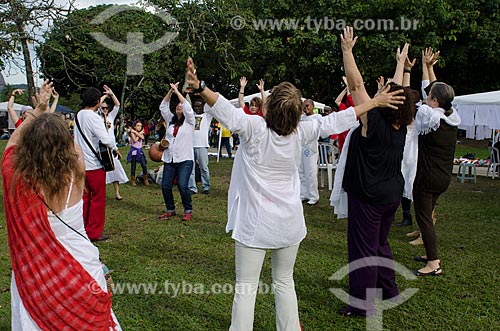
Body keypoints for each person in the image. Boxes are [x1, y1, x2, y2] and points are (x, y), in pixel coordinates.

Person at [185, 56, 404, 330]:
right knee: (284, 282)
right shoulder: (303, 130)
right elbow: (338, 120)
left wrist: (199, 85)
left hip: (254, 224)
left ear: (270, 106)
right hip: (289, 225)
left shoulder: (254, 128)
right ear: (297, 112)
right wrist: (374, 102)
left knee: (246, 287)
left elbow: (222, 108)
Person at [2, 80, 121, 330]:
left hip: (34, 276)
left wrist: (38, 111)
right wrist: (53, 119)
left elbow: (11, 147)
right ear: (67, 144)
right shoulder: (77, 169)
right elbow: (72, 145)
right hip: (82, 265)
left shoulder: (15, 179)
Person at [332, 27, 416, 317]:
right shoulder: (401, 126)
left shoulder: (374, 122)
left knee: (363, 249)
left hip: (368, 197)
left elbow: (356, 86)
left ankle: (363, 305)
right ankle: (388, 288)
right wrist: (400, 66)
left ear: (386, 102)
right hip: (391, 194)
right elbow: (397, 93)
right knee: (380, 243)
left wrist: (347, 51)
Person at [411, 47, 461, 276]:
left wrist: (425, 68)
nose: (426, 98)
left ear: (434, 101)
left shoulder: (428, 116)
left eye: (430, 98)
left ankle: (433, 262)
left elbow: (426, 92)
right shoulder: (451, 116)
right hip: (443, 178)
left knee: (424, 220)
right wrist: (429, 67)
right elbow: (436, 91)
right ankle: (430, 253)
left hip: (427, 178)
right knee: (427, 216)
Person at [74, 87, 118, 242]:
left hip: (80, 163)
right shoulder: (94, 117)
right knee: (98, 199)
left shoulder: (78, 115)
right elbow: (106, 139)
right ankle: (93, 232)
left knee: (84, 198)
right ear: (96, 101)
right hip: (94, 164)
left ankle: (82, 228)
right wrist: (115, 147)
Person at [159, 82, 195, 222]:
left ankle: (188, 210)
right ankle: (170, 209)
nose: (179, 106)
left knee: (182, 185)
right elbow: (163, 106)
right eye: (177, 106)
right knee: (166, 185)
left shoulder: (190, 121)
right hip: (170, 159)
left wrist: (178, 92)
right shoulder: (170, 121)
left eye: (181, 106)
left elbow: (187, 107)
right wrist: (170, 91)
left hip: (185, 159)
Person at [101, 85, 128, 199]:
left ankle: (117, 193)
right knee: (101, 173)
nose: (105, 110)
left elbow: (117, 105)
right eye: (103, 108)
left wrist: (111, 94)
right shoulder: (95, 118)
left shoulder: (111, 117)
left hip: (112, 149)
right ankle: (101, 193)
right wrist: (103, 97)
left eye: (106, 108)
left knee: (115, 171)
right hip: (101, 149)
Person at [299, 98, 322, 205]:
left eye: (307, 105)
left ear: (313, 106)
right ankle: (304, 194)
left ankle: (314, 196)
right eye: (304, 106)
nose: (306, 108)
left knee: (311, 172)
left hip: (311, 147)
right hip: (301, 147)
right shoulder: (301, 118)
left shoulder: (317, 117)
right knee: (301, 171)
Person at [189, 96, 213, 194]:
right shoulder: (191, 115)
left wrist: (203, 94)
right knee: (190, 167)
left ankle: (206, 186)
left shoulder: (207, 116)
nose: (197, 108)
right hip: (190, 145)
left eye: (199, 106)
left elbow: (210, 104)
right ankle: (192, 187)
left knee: (204, 167)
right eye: (195, 106)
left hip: (202, 145)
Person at [127, 121, 149, 187]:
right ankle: (133, 180)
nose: (139, 127)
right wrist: (138, 133)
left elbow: (143, 138)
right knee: (133, 166)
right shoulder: (132, 133)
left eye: (140, 126)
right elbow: (135, 140)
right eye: (138, 125)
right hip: (134, 151)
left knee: (144, 165)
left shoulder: (138, 132)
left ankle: (146, 179)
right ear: (135, 126)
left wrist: (137, 133)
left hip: (140, 151)